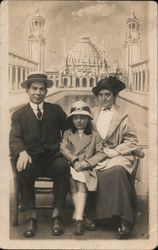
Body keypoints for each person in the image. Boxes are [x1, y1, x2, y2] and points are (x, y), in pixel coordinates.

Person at [9, 72, 70, 237]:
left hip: (52, 158)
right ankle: (31, 216)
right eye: (34, 88)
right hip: (31, 157)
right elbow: (14, 138)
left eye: (42, 89)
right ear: (27, 90)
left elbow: (69, 127)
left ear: (46, 91)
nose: (38, 92)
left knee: (63, 166)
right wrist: (21, 152)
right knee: (24, 167)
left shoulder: (55, 110)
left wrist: (65, 142)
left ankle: (57, 214)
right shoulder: (19, 115)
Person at [86, 76, 139, 239]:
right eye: (101, 95)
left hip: (117, 154)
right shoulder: (91, 113)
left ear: (114, 96)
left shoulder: (123, 115)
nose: (103, 98)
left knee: (117, 171)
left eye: (107, 94)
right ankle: (98, 216)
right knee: (90, 172)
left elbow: (132, 141)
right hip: (97, 155)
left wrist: (116, 151)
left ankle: (124, 219)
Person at [60, 101, 105, 235]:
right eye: (75, 117)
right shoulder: (67, 133)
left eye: (82, 117)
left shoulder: (95, 135)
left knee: (82, 180)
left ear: (88, 119)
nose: (79, 121)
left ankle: (78, 217)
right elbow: (63, 149)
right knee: (71, 178)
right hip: (71, 166)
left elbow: (101, 152)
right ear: (72, 119)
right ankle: (81, 217)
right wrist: (74, 161)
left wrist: (87, 163)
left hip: (86, 167)